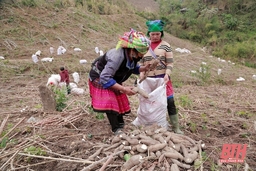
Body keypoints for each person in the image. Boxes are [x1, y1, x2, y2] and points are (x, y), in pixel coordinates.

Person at [88, 28, 151, 135]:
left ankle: (120, 124)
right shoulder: (117, 56)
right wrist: (123, 89)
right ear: (132, 49)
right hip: (101, 77)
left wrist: (143, 69)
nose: (142, 55)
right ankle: (116, 129)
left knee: (118, 98)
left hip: (112, 77)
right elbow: (105, 77)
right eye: (141, 52)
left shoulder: (132, 56)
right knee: (110, 100)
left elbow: (132, 68)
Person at [139, 20, 183, 134]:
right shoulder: (144, 46)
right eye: (152, 34)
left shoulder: (166, 46)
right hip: (149, 80)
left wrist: (167, 74)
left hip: (163, 79)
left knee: (170, 101)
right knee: (151, 103)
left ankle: (176, 127)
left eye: (157, 34)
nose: (155, 36)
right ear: (149, 33)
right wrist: (141, 75)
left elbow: (170, 63)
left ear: (161, 34)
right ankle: (151, 125)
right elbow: (141, 63)